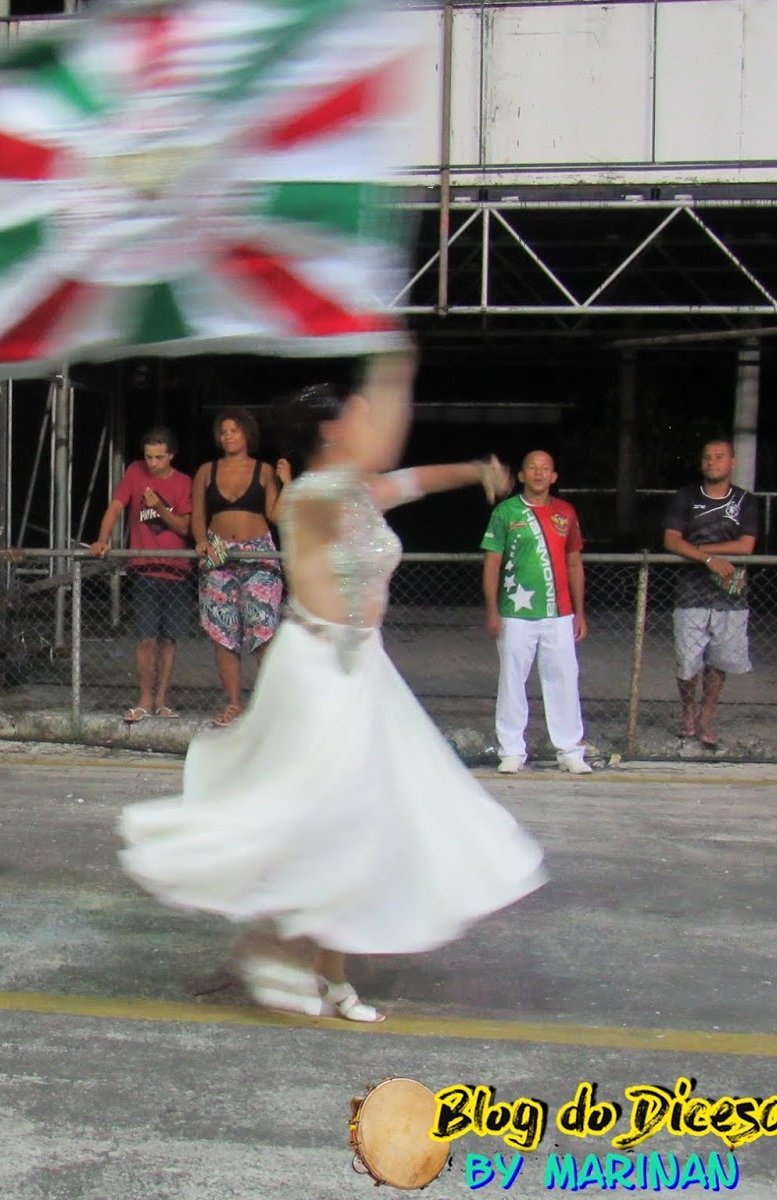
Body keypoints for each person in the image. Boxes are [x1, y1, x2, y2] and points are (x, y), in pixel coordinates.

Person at [119, 357, 547, 1024]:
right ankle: (273, 942)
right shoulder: (311, 497)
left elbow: (414, 478)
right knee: (324, 817)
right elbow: (381, 461)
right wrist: (395, 364)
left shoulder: (359, 492)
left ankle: (331, 972)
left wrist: (473, 470)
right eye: (360, 417)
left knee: (371, 817)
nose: (371, 426)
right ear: (332, 432)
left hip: (363, 668)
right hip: (316, 668)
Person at [481, 450, 592, 775]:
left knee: (564, 679)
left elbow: (574, 563)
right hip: (515, 612)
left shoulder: (565, 512)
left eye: (545, 468)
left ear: (554, 476)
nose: (539, 473)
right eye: (532, 467)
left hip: (559, 613)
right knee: (512, 680)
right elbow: (492, 564)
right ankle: (511, 750)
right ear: (521, 475)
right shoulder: (506, 512)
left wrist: (580, 612)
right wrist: (492, 609)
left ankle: (570, 750)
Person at [89, 428, 193, 722]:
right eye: (149, 457)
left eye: (159, 457)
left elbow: (185, 527)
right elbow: (115, 507)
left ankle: (161, 700)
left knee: (168, 640)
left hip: (176, 570)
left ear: (171, 455)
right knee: (146, 638)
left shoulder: (183, 482)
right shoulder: (136, 471)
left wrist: (158, 506)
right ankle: (145, 699)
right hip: (145, 569)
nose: (153, 463)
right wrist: (102, 539)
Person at [662, 438, 759, 750]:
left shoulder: (745, 501)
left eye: (719, 457)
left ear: (732, 462)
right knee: (687, 660)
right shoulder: (686, 497)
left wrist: (702, 550)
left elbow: (746, 545)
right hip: (690, 592)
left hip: (730, 594)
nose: (712, 462)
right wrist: (707, 560)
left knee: (719, 660)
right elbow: (672, 540)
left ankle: (706, 716)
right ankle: (688, 711)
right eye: (707, 457)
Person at [190, 408, 283, 727]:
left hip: (257, 554)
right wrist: (201, 541)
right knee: (223, 631)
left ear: (247, 434)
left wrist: (287, 483)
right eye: (224, 431)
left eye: (234, 430)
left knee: (263, 629)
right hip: (218, 553)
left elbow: (276, 515)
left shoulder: (263, 470)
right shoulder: (207, 470)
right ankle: (233, 704)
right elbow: (198, 513)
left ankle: (271, 704)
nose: (228, 436)